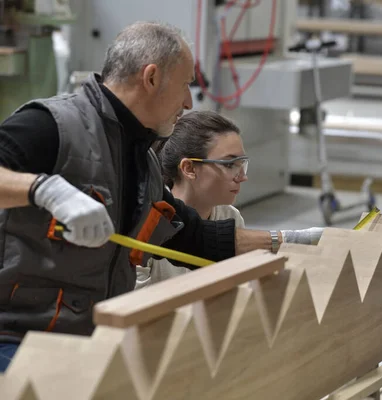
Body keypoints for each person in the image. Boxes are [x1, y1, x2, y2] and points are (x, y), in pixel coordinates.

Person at [0, 21, 319, 372]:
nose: (187, 101)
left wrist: (288, 240)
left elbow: (191, 237)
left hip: (93, 338)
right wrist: (44, 190)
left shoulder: (141, 158)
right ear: (151, 78)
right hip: (20, 336)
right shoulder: (54, 125)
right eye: (185, 85)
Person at [136, 110, 323, 288]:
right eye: (230, 164)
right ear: (189, 168)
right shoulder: (150, 222)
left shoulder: (229, 217)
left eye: (242, 165)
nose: (242, 176)